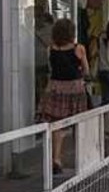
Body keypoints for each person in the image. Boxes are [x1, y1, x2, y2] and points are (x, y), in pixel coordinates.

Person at [38, 18, 91, 173]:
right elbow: (86, 70)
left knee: (57, 124)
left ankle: (56, 159)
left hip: (55, 88)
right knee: (78, 123)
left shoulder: (51, 49)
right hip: (75, 88)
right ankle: (80, 157)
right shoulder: (79, 48)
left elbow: (51, 69)